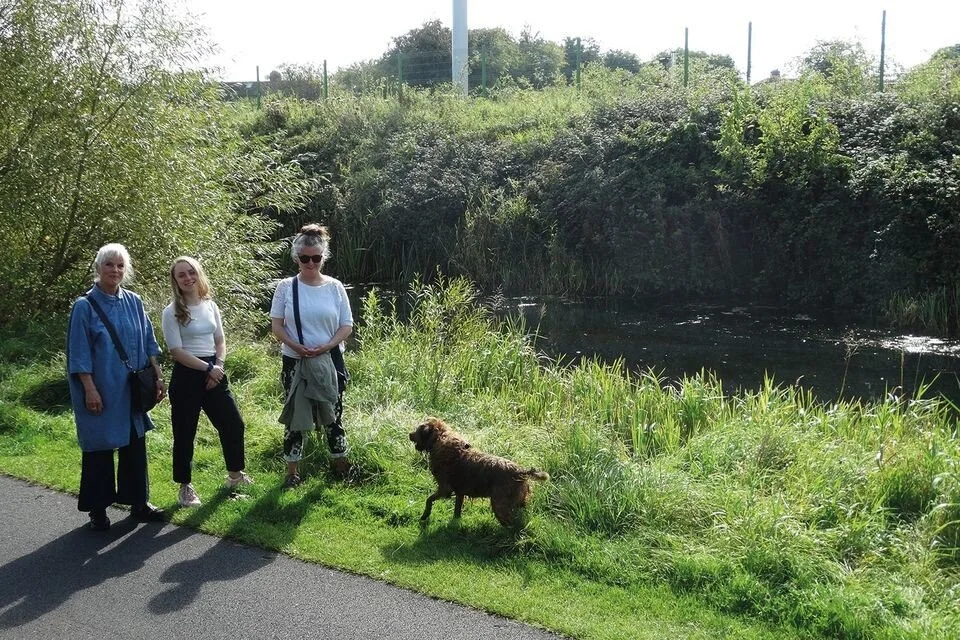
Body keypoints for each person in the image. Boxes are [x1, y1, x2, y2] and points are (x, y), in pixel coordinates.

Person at [66, 243, 167, 531]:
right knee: (99, 446)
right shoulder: (84, 306)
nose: (115, 270)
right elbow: (79, 351)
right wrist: (89, 388)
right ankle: (98, 509)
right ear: (98, 268)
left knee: (135, 445)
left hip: (131, 388)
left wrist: (158, 376)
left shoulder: (134, 301)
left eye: (120, 265)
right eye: (109, 264)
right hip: (101, 388)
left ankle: (138, 502)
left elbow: (149, 343)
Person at [161, 256, 253, 508]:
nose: (188, 278)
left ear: (198, 274)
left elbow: (220, 340)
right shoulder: (171, 312)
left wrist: (219, 367)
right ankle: (185, 487)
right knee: (185, 433)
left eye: (191, 272)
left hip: (215, 371)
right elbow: (176, 351)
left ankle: (235, 476)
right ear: (175, 281)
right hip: (188, 375)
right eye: (182, 275)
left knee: (233, 424)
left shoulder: (210, 305)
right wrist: (208, 368)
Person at [270, 224, 353, 487]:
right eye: (304, 258)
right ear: (296, 258)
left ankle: (341, 467)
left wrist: (327, 346)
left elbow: (346, 325)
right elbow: (277, 326)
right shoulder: (285, 287)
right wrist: (296, 346)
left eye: (316, 258)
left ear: (323, 257)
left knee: (334, 415)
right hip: (295, 360)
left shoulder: (335, 287)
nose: (310, 263)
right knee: (296, 417)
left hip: (330, 360)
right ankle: (292, 473)